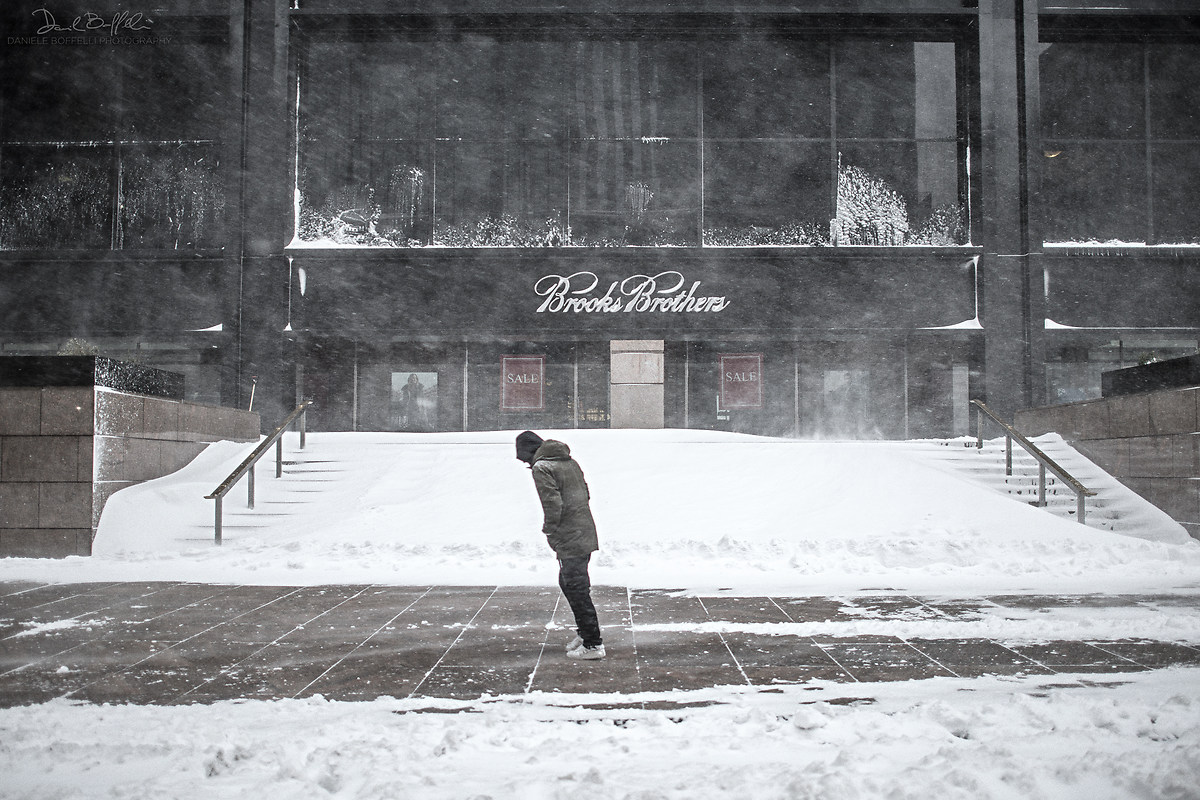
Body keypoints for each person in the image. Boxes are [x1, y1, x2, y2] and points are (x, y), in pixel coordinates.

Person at [515, 430, 604, 660]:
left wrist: (550, 529)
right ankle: (586, 634)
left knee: (575, 586)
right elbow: (585, 493)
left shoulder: (542, 468)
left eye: (524, 458)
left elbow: (552, 503)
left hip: (569, 534)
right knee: (569, 582)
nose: (526, 463)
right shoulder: (568, 461)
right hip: (583, 528)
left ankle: (593, 644)